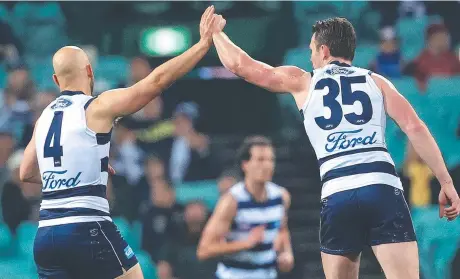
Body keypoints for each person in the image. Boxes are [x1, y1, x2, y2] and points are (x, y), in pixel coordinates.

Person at [210, 15, 460, 279]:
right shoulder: (377, 82)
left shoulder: (304, 81)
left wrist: (216, 34)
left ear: (324, 50)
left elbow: (242, 66)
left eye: (311, 51)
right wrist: (446, 183)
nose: (310, 58)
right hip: (382, 187)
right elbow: (415, 128)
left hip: (338, 193)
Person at [18, 6, 218, 279]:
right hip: (87, 225)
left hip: (46, 235)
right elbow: (156, 81)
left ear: (55, 80)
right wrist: (202, 45)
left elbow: (26, 172)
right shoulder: (96, 106)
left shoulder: (44, 118)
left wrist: (77, 171)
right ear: (90, 71)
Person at [197, 136, 294, 279]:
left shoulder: (281, 197)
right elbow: (204, 250)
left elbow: (282, 230)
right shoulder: (232, 201)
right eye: (260, 159)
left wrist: (287, 254)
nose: (267, 165)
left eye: (270, 160)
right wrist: (245, 244)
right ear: (245, 164)